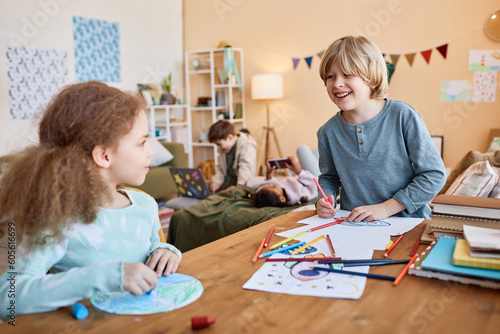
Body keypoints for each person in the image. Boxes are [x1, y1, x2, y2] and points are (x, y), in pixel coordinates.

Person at [0, 81, 182, 319]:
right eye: (142, 142)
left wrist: (164, 251)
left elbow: (150, 249)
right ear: (103, 156)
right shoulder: (58, 220)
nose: (150, 152)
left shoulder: (145, 205)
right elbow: (8, 299)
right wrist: (105, 277)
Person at [316, 35, 446, 222]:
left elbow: (434, 175)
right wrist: (324, 197)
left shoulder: (403, 116)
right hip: (354, 226)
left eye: (347, 74)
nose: (337, 83)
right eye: (330, 76)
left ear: (373, 79)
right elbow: (329, 178)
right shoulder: (327, 132)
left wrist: (386, 208)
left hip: (408, 224)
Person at [248, 156, 317, 208]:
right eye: (273, 186)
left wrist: (269, 174)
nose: (271, 184)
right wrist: (299, 171)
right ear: (282, 199)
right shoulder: (299, 196)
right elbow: (316, 185)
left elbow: (263, 186)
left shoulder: (278, 193)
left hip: (296, 176)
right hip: (315, 175)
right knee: (302, 149)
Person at [208, 120, 257, 193]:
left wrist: (238, 192)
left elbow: (245, 177)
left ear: (230, 138)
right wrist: (216, 182)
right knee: (206, 186)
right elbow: (221, 169)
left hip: (238, 186)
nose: (218, 148)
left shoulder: (247, 147)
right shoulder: (224, 148)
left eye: (219, 144)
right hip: (226, 184)